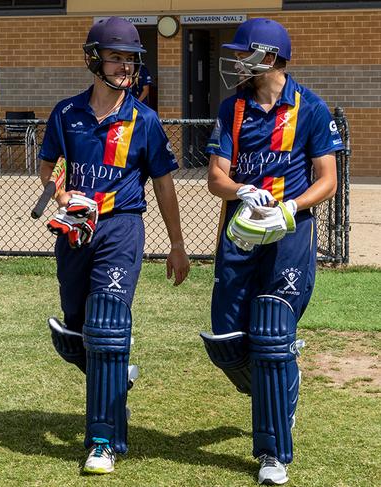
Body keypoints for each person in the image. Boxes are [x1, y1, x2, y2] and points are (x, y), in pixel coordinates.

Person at [38, 17, 190, 475]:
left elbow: (164, 185)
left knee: (106, 326)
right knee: (76, 332)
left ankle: (103, 441)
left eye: (131, 59)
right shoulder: (66, 113)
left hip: (122, 228)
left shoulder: (143, 120)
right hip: (74, 231)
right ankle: (117, 372)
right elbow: (48, 170)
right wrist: (63, 195)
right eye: (117, 57)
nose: (126, 66)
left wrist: (177, 244)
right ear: (94, 59)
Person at [202, 18, 344, 485]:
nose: (237, 60)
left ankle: (272, 454)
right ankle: (281, 385)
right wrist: (242, 190)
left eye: (245, 52)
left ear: (270, 57)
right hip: (239, 234)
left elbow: (327, 180)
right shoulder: (231, 108)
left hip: (289, 234)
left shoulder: (312, 108)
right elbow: (215, 179)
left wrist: (289, 208)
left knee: (269, 333)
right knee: (226, 342)